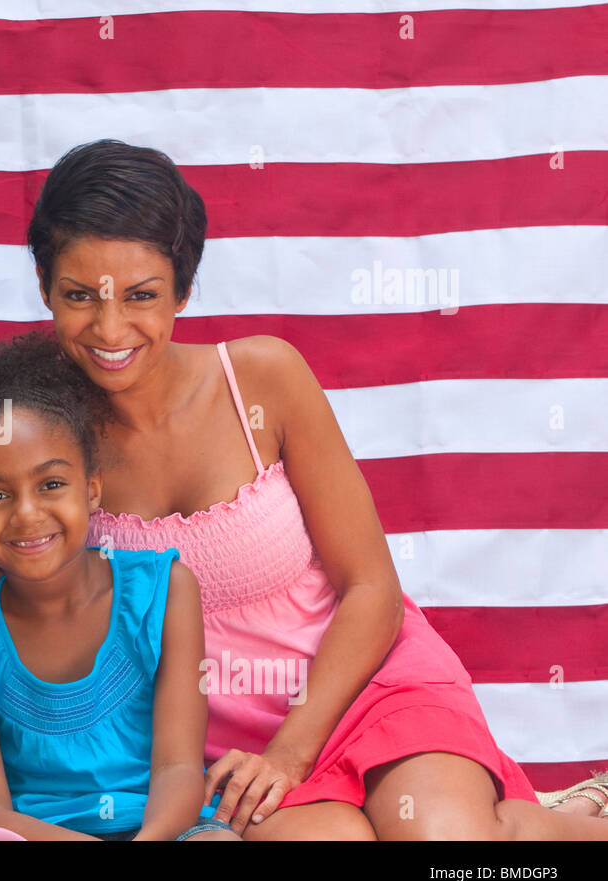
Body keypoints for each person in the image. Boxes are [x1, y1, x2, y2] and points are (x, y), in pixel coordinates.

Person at [30, 138, 608, 840]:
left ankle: (563, 826)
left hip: (368, 685)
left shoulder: (263, 380)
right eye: (79, 296)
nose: (111, 327)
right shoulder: (42, 434)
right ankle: (539, 821)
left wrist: (292, 750)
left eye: (143, 296)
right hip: (220, 748)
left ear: (183, 290)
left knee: (452, 863)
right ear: (44, 288)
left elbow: (373, 587)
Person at [0, 333, 237, 841]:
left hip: (165, 830)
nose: (27, 515)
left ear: (92, 488)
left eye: (51, 484)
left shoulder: (164, 591)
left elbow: (178, 767)